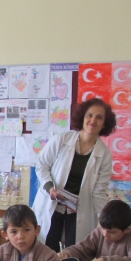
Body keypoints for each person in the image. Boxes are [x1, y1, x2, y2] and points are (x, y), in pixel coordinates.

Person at [33, 98, 115, 252]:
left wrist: (108, 220)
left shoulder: (104, 154)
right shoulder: (61, 140)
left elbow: (99, 192)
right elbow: (41, 165)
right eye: (89, 115)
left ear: (105, 123)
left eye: (99, 117)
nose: (93, 120)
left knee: (74, 255)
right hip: (52, 204)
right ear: (83, 117)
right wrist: (49, 187)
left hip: (79, 211)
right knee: (46, 252)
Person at [59, 200, 131, 261]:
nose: (105, 235)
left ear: (127, 229)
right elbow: (82, 249)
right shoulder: (100, 232)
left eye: (111, 232)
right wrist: (68, 253)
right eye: (103, 228)